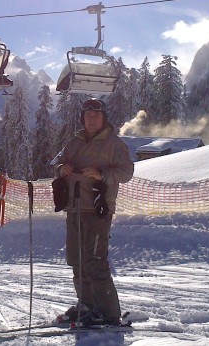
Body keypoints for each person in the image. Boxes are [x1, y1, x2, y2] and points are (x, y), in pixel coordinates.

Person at [52, 98, 134, 326]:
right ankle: (87, 305)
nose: (92, 119)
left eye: (96, 115)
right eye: (88, 115)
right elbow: (56, 163)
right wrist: (62, 168)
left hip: (98, 210)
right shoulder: (74, 141)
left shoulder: (113, 144)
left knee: (94, 261)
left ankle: (110, 314)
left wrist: (102, 175)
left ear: (104, 118)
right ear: (83, 118)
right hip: (74, 209)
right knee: (76, 260)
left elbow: (127, 172)